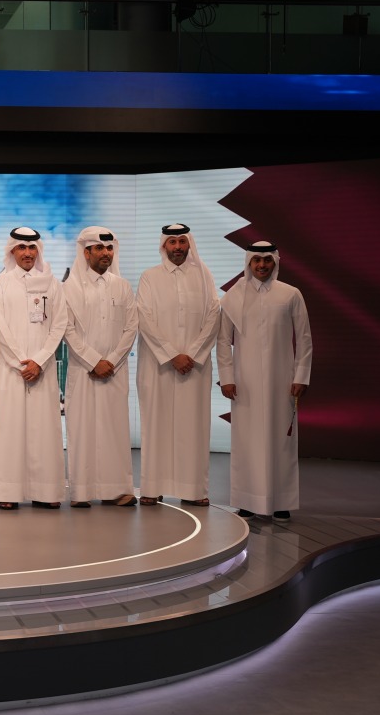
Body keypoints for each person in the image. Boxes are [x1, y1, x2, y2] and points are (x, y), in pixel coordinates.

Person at [217, 241, 313, 521]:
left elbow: (304, 338)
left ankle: (280, 501)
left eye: (266, 261)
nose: (261, 266)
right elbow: (223, 341)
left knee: (280, 441)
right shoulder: (234, 297)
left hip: (281, 381)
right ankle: (247, 500)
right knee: (247, 441)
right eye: (256, 261)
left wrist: (301, 376)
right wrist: (226, 377)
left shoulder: (290, 294)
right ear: (248, 263)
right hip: (243, 382)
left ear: (275, 262)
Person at [136, 223, 221, 507]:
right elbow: (145, 319)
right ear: (164, 246)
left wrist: (192, 355)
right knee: (156, 425)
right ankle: (152, 487)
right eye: (172, 242)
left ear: (189, 244)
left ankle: (193, 489)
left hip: (194, 367)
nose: (177, 248)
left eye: (182, 242)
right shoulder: (149, 277)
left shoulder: (204, 276)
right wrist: (173, 354)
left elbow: (213, 316)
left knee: (193, 426)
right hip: (158, 365)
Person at [0, 228, 68, 511]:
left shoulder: (52, 284)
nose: (28, 253)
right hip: (11, 370)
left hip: (42, 370)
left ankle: (46, 491)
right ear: (12, 252)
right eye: (21, 248)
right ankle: (8, 491)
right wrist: (21, 361)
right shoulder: (0, 284)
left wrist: (41, 360)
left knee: (45, 430)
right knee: (9, 429)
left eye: (32, 248)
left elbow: (59, 324)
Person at [63, 226, 139, 509]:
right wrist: (95, 361)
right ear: (86, 253)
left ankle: (117, 490)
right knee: (82, 428)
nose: (106, 253)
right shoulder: (68, 288)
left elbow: (132, 326)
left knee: (114, 430)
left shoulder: (121, 286)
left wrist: (112, 360)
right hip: (83, 371)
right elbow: (67, 329)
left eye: (110, 249)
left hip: (114, 371)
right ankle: (81, 491)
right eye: (100, 249)